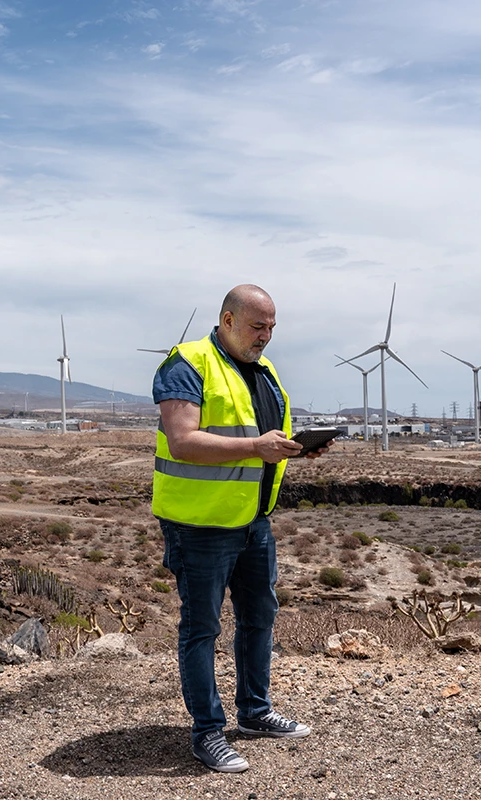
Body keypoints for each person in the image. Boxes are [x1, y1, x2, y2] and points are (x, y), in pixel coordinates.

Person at [152, 284, 331, 773]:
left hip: (253, 521)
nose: (267, 336)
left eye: (272, 327)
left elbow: (263, 440)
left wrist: (297, 448)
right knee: (201, 628)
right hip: (200, 525)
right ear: (227, 320)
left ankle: (254, 712)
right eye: (258, 326)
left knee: (259, 618)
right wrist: (258, 448)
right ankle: (207, 732)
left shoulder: (265, 372)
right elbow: (184, 441)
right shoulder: (186, 364)